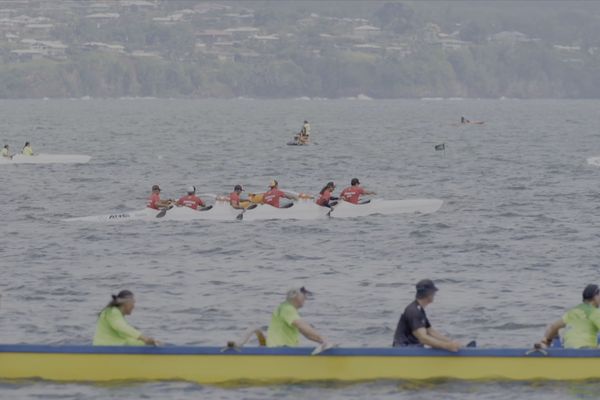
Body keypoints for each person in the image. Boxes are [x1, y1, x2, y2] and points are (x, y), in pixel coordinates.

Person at [392, 279, 462, 352]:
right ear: (428, 293)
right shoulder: (413, 311)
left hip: (413, 348)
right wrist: (447, 346)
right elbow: (423, 338)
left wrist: (450, 342)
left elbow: (430, 331)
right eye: (433, 292)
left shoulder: (419, 309)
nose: (434, 294)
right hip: (404, 350)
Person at [537, 284, 600, 349]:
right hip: (586, 350)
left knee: (555, 336)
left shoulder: (573, 311)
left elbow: (553, 327)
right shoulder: (595, 312)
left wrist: (548, 341)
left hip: (568, 349)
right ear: (595, 297)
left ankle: (543, 345)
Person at [93, 290, 159, 346]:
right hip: (103, 350)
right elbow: (123, 328)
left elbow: (127, 340)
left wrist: (147, 343)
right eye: (133, 303)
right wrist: (144, 338)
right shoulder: (112, 312)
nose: (134, 306)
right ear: (126, 303)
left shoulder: (117, 315)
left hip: (111, 348)